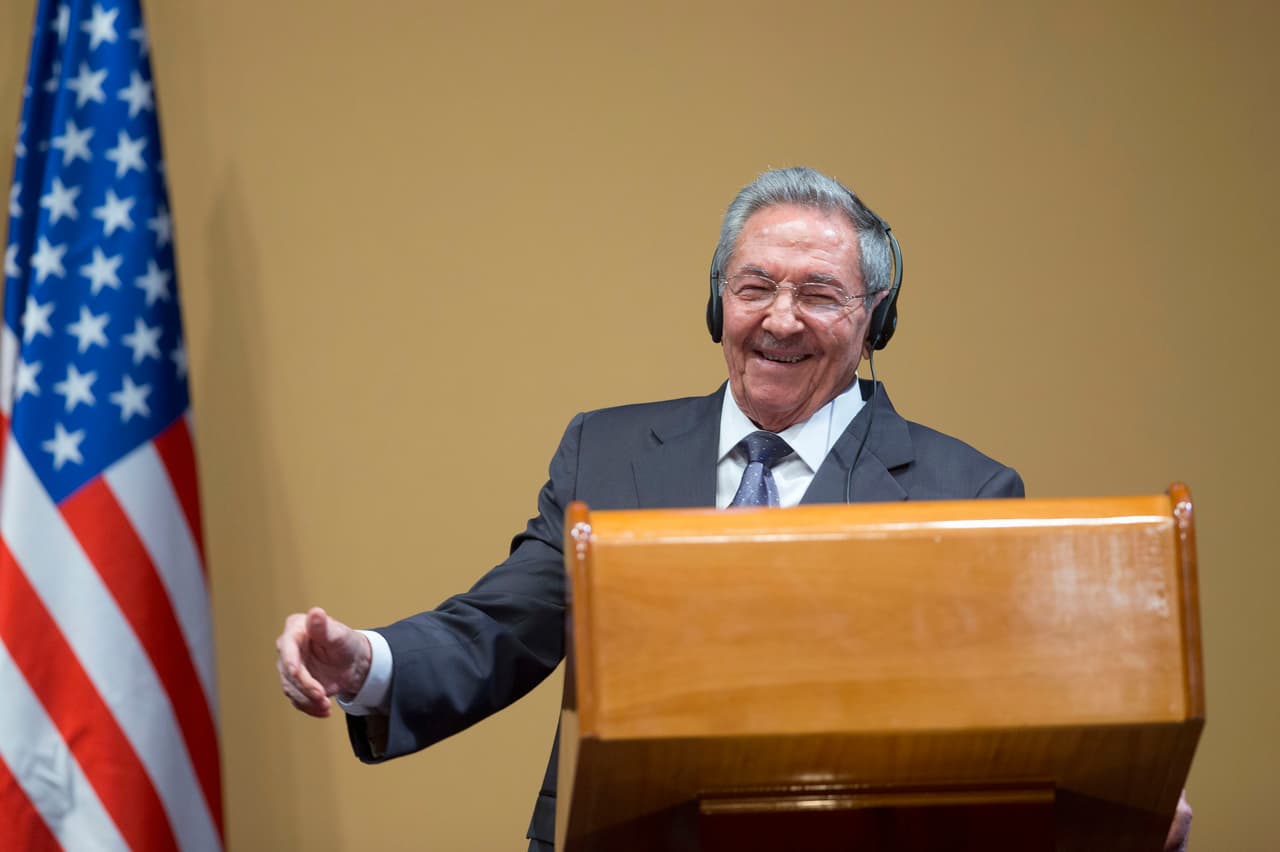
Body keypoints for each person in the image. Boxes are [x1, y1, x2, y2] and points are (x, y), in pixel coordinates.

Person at [276, 166, 1190, 851]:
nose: (781, 319)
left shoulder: (967, 490)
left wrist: (1112, 807)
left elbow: (1005, 719)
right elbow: (506, 623)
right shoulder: (610, 449)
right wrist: (367, 661)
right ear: (718, 302)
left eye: (820, 294)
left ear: (876, 320)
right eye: (756, 286)